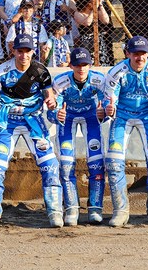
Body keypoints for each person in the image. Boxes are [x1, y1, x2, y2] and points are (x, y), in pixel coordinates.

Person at [0, 33, 62, 230]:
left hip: (34, 122)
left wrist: (51, 101)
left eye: (27, 51)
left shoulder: (40, 70)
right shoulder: (2, 70)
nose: (23, 55)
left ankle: (55, 212)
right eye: (20, 51)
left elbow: (49, 93)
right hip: (8, 123)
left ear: (33, 51)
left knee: (50, 165)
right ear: (13, 51)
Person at [103, 36, 148, 226]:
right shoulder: (117, 72)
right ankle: (121, 211)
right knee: (114, 162)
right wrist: (110, 109)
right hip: (123, 116)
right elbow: (110, 99)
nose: (139, 58)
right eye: (135, 54)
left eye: (142, 53)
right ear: (127, 54)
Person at [47, 48, 106, 225]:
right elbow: (51, 109)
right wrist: (57, 115)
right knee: (65, 164)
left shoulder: (99, 79)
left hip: (91, 118)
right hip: (69, 119)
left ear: (90, 65)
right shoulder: (60, 81)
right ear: (71, 65)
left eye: (85, 65)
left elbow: (108, 104)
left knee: (96, 162)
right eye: (77, 65)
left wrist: (104, 113)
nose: (81, 69)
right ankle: (71, 208)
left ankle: (95, 207)